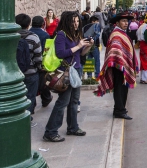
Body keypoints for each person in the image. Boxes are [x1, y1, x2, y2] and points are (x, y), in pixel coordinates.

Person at [44, 11, 93, 142]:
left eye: (77, 21)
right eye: (73, 22)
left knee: (74, 101)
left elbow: (81, 54)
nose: (76, 24)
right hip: (65, 71)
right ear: (67, 22)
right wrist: (78, 46)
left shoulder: (76, 34)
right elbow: (60, 54)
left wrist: (88, 46)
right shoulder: (61, 35)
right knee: (63, 102)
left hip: (75, 70)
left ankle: (73, 127)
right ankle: (50, 131)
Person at [95, 12, 138, 120]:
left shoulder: (122, 33)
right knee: (120, 88)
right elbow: (115, 50)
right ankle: (119, 110)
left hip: (122, 64)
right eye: (123, 21)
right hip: (118, 65)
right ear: (117, 22)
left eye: (127, 21)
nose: (126, 23)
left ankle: (119, 108)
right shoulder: (116, 34)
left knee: (123, 87)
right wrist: (120, 61)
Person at [15, 14, 42, 127]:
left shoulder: (12, 36)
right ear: (28, 24)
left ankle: (17, 119)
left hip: (15, 74)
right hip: (30, 72)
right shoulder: (33, 37)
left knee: (16, 97)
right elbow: (38, 57)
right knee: (30, 97)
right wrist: (38, 68)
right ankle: (26, 120)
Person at [29, 15, 53, 108]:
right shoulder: (45, 35)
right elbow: (47, 50)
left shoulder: (28, 32)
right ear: (43, 24)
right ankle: (46, 99)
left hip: (28, 63)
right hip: (40, 61)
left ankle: (35, 102)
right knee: (43, 83)